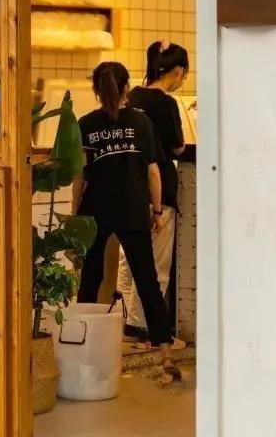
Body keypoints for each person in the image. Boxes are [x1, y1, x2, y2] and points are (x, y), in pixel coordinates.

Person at [73, 61, 181, 381]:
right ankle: (165, 354)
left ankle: (81, 350)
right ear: (125, 88)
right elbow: (153, 172)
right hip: (132, 209)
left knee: (91, 279)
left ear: (96, 89)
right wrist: (157, 210)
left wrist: (76, 212)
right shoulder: (140, 122)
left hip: (96, 210)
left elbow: (80, 176)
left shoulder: (86, 124)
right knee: (147, 280)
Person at [117, 41, 189, 347]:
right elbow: (178, 148)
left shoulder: (130, 97)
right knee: (157, 265)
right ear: (177, 71)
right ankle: (143, 326)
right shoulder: (166, 104)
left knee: (128, 260)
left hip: (128, 189)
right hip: (158, 192)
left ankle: (123, 321)